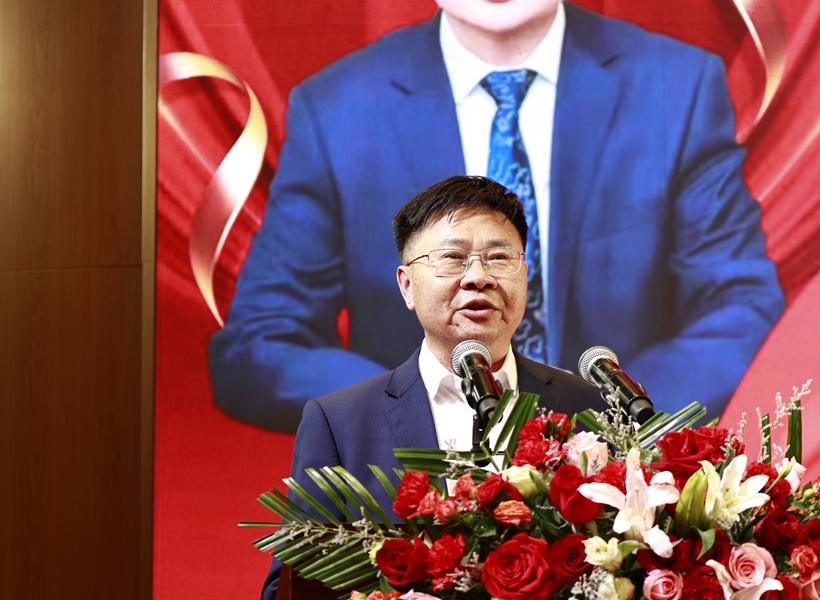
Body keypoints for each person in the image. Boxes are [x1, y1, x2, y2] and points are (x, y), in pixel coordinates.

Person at [209, 0, 785, 433]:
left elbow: (740, 311)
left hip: (627, 500)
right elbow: (259, 345)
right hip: (417, 507)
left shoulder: (675, 87)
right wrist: (423, 408)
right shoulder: (338, 108)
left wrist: (597, 429)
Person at [259, 175, 612, 599]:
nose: (478, 277)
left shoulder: (588, 405)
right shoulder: (340, 423)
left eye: (499, 257)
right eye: (453, 257)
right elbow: (291, 587)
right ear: (407, 286)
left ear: (525, 275)